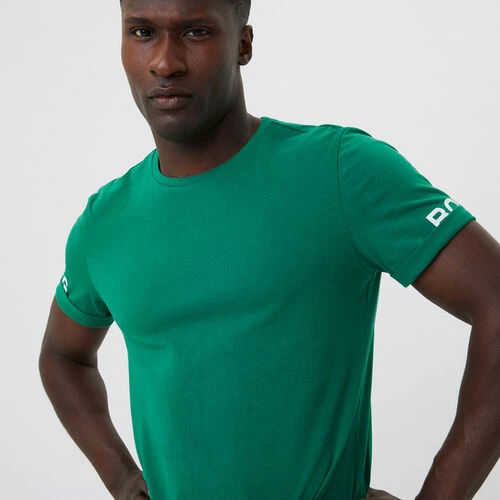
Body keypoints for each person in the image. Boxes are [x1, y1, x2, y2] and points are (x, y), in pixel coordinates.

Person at [38, 0, 500, 499]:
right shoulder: (105, 222)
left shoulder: (340, 172)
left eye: (195, 32)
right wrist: (121, 477)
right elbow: (63, 357)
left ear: (243, 44)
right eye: (143, 32)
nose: (165, 62)